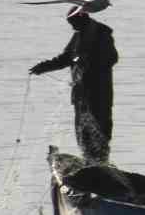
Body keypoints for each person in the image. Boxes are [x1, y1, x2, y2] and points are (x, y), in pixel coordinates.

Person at [30, 12, 118, 164]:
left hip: (99, 94)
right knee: (82, 131)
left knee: (100, 129)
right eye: (70, 23)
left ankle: (101, 164)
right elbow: (64, 58)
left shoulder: (102, 34)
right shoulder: (78, 37)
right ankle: (89, 162)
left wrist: (88, 60)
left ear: (83, 19)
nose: (72, 27)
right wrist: (42, 67)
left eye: (73, 22)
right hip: (80, 96)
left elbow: (112, 58)